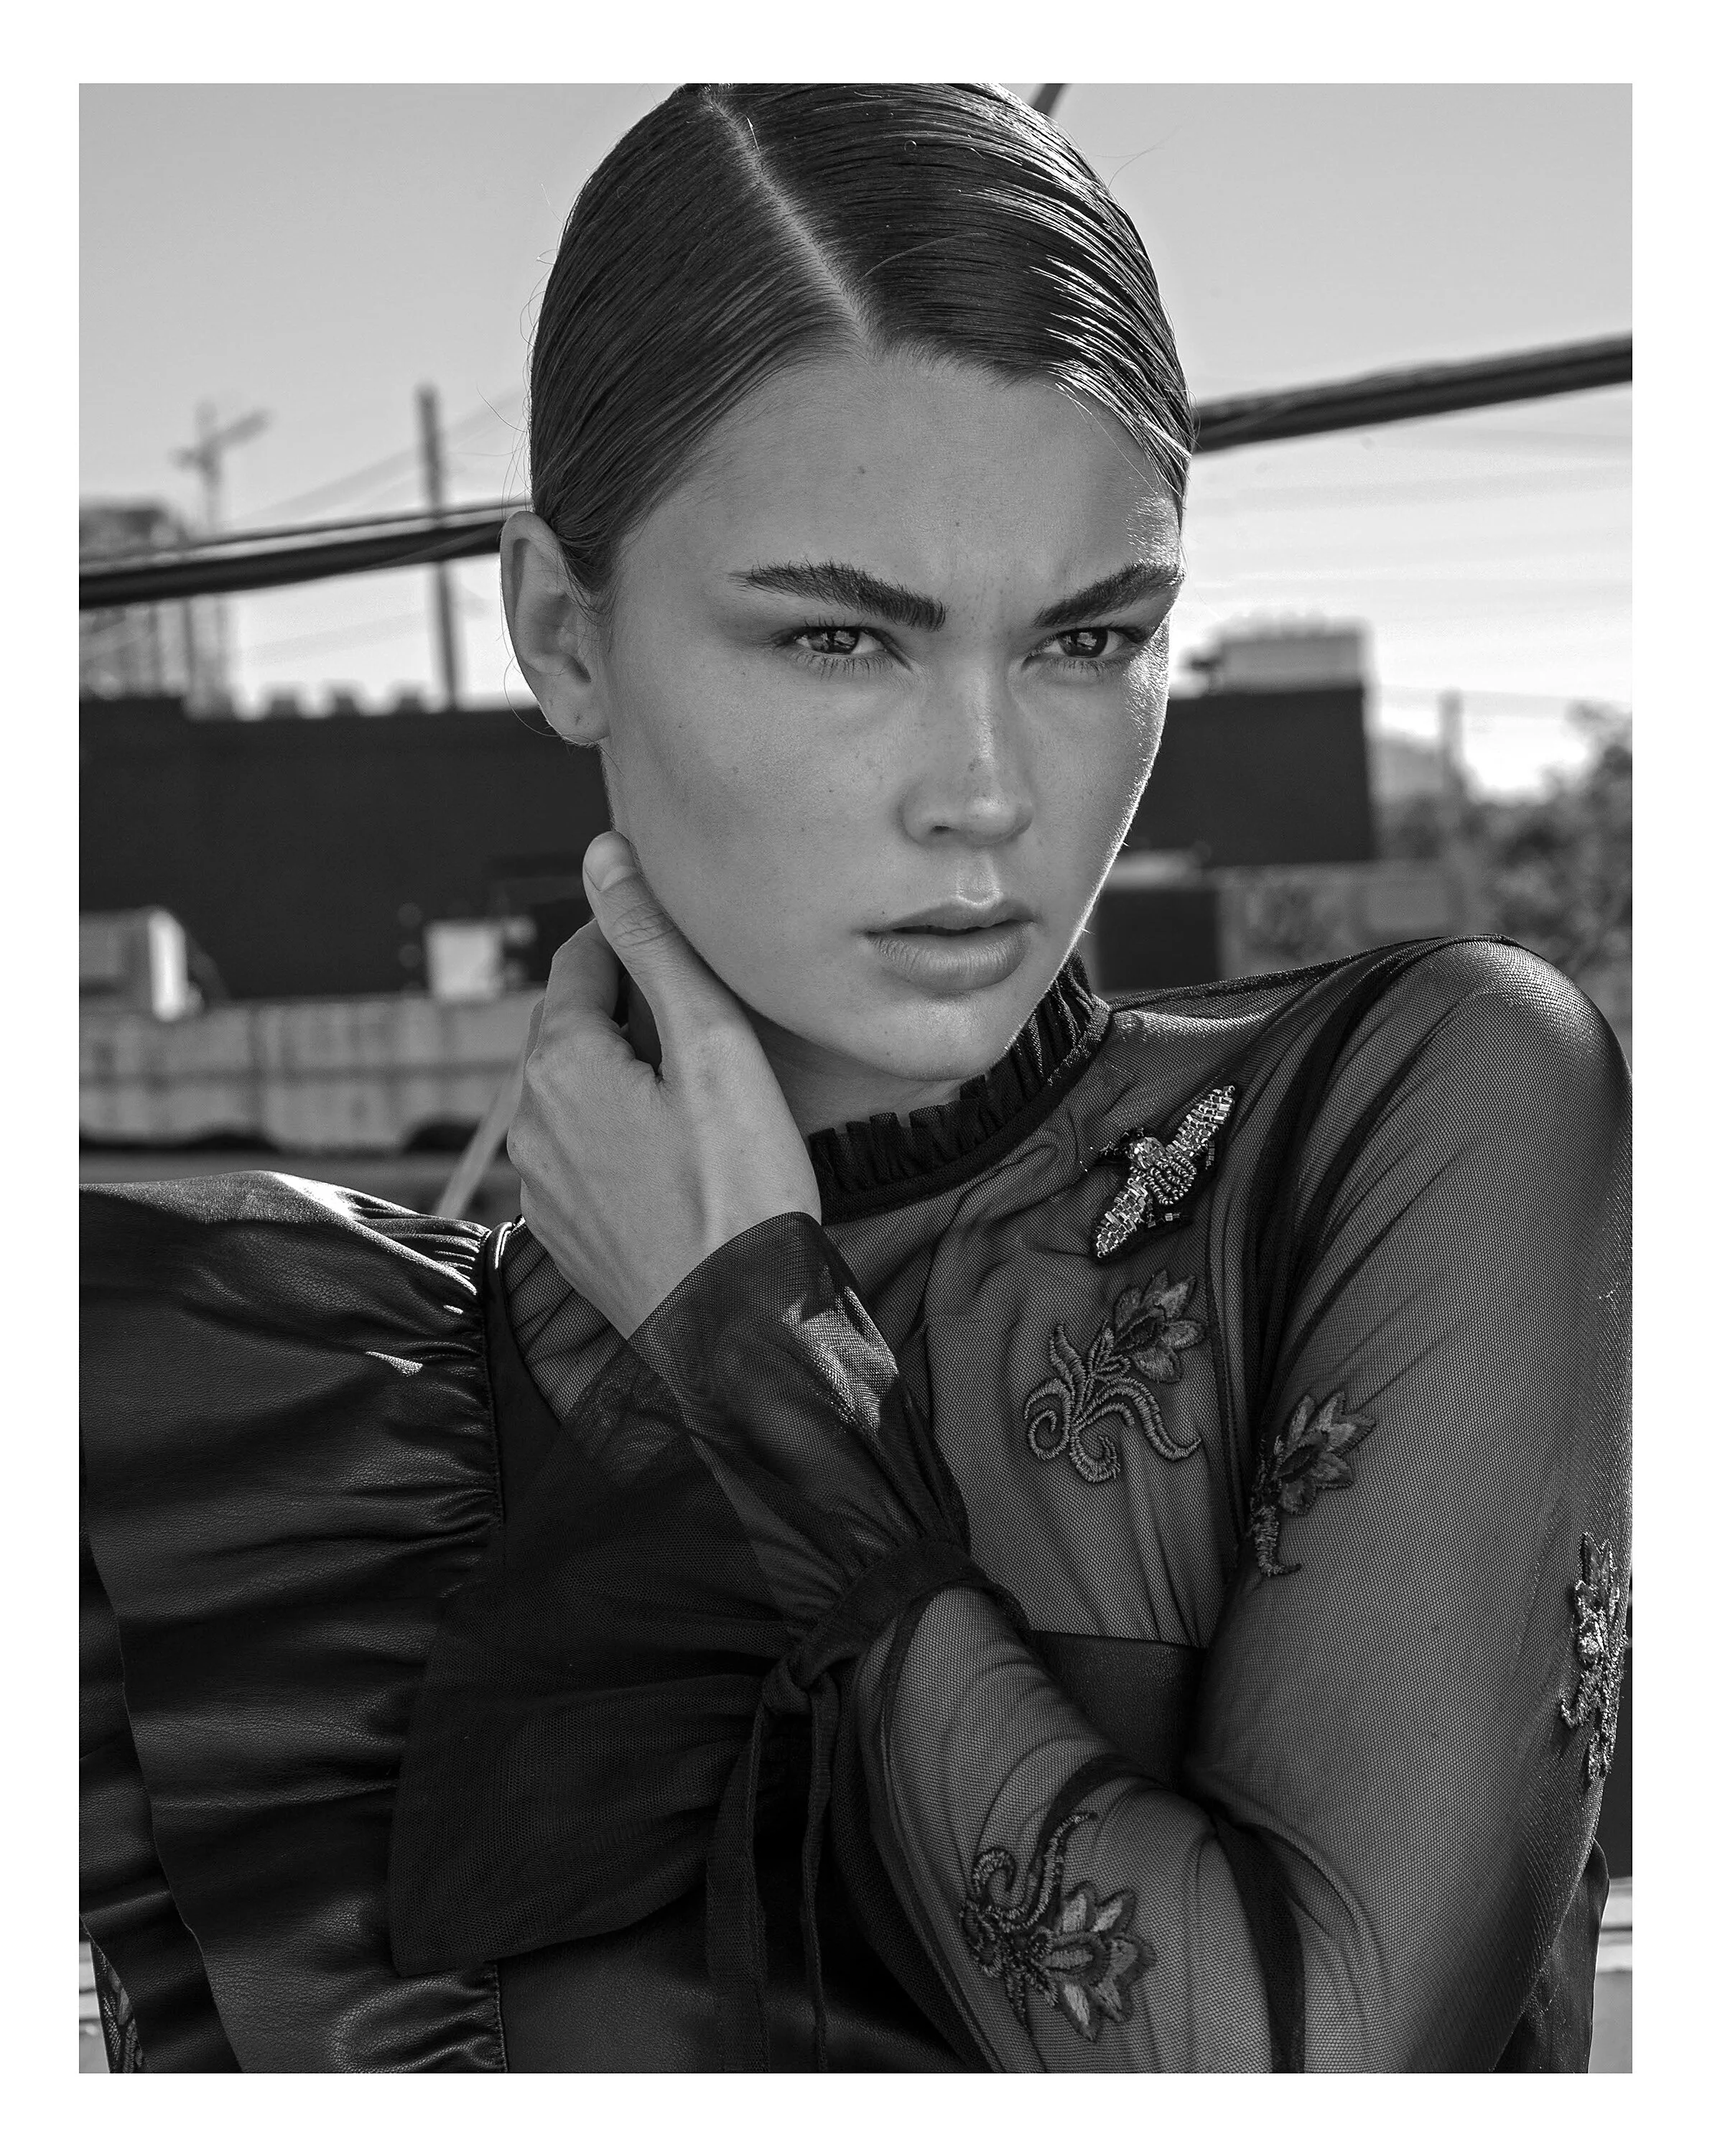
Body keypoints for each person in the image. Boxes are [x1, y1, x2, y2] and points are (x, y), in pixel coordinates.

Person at [80, 82, 1629, 2073]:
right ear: (558, 629)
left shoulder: (1404, 1114)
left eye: (1089, 641)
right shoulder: (300, 1410)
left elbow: (1327, 2074)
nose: (983, 794)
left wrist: (754, 1367)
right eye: (839, 641)